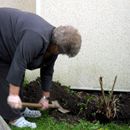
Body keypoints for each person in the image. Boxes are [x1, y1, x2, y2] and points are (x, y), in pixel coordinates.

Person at [0, 7, 82, 128]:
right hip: (2, 36)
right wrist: (13, 94)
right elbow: (19, 63)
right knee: (7, 74)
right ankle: (13, 117)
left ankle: (20, 109)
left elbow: (47, 71)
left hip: (11, 39)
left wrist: (45, 97)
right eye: (61, 52)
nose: (60, 54)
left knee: (17, 75)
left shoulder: (54, 42)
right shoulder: (36, 37)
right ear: (57, 46)